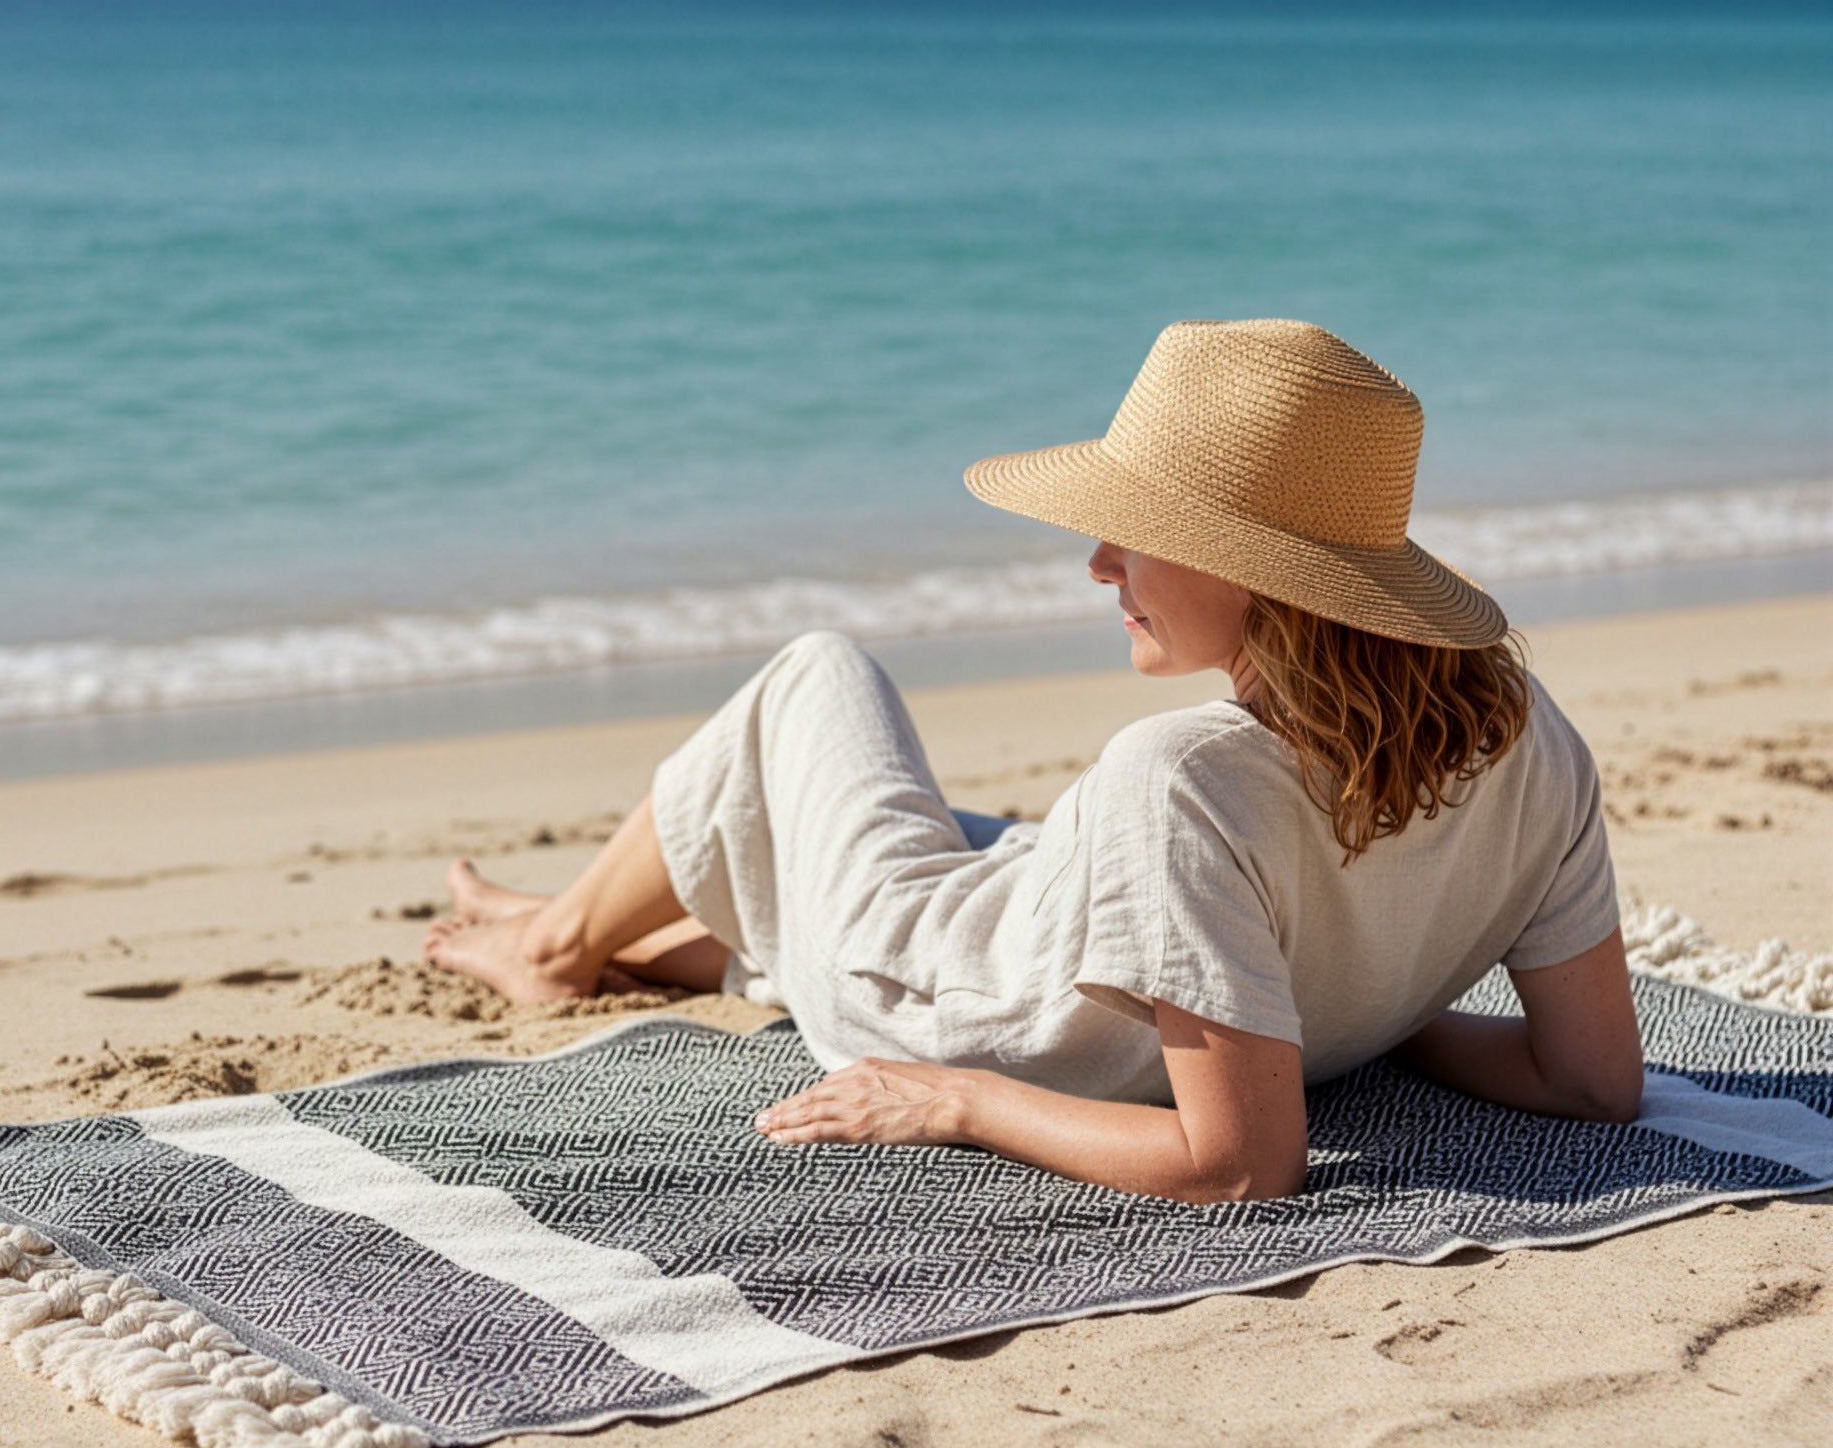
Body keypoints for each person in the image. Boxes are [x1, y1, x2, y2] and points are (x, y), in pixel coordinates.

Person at [424, 319, 1645, 1203]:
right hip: (1041, 920)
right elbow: (1591, 1083)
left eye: (1145, 529)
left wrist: (952, 1099)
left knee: (815, 677)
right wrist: (1375, 1002)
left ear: (1255, 572)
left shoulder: (1178, 781)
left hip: (935, 991)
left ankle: (549, 949)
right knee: (976, 835)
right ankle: (580, 922)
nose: (1098, 561)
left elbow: (1236, 1166)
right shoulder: (1526, 737)